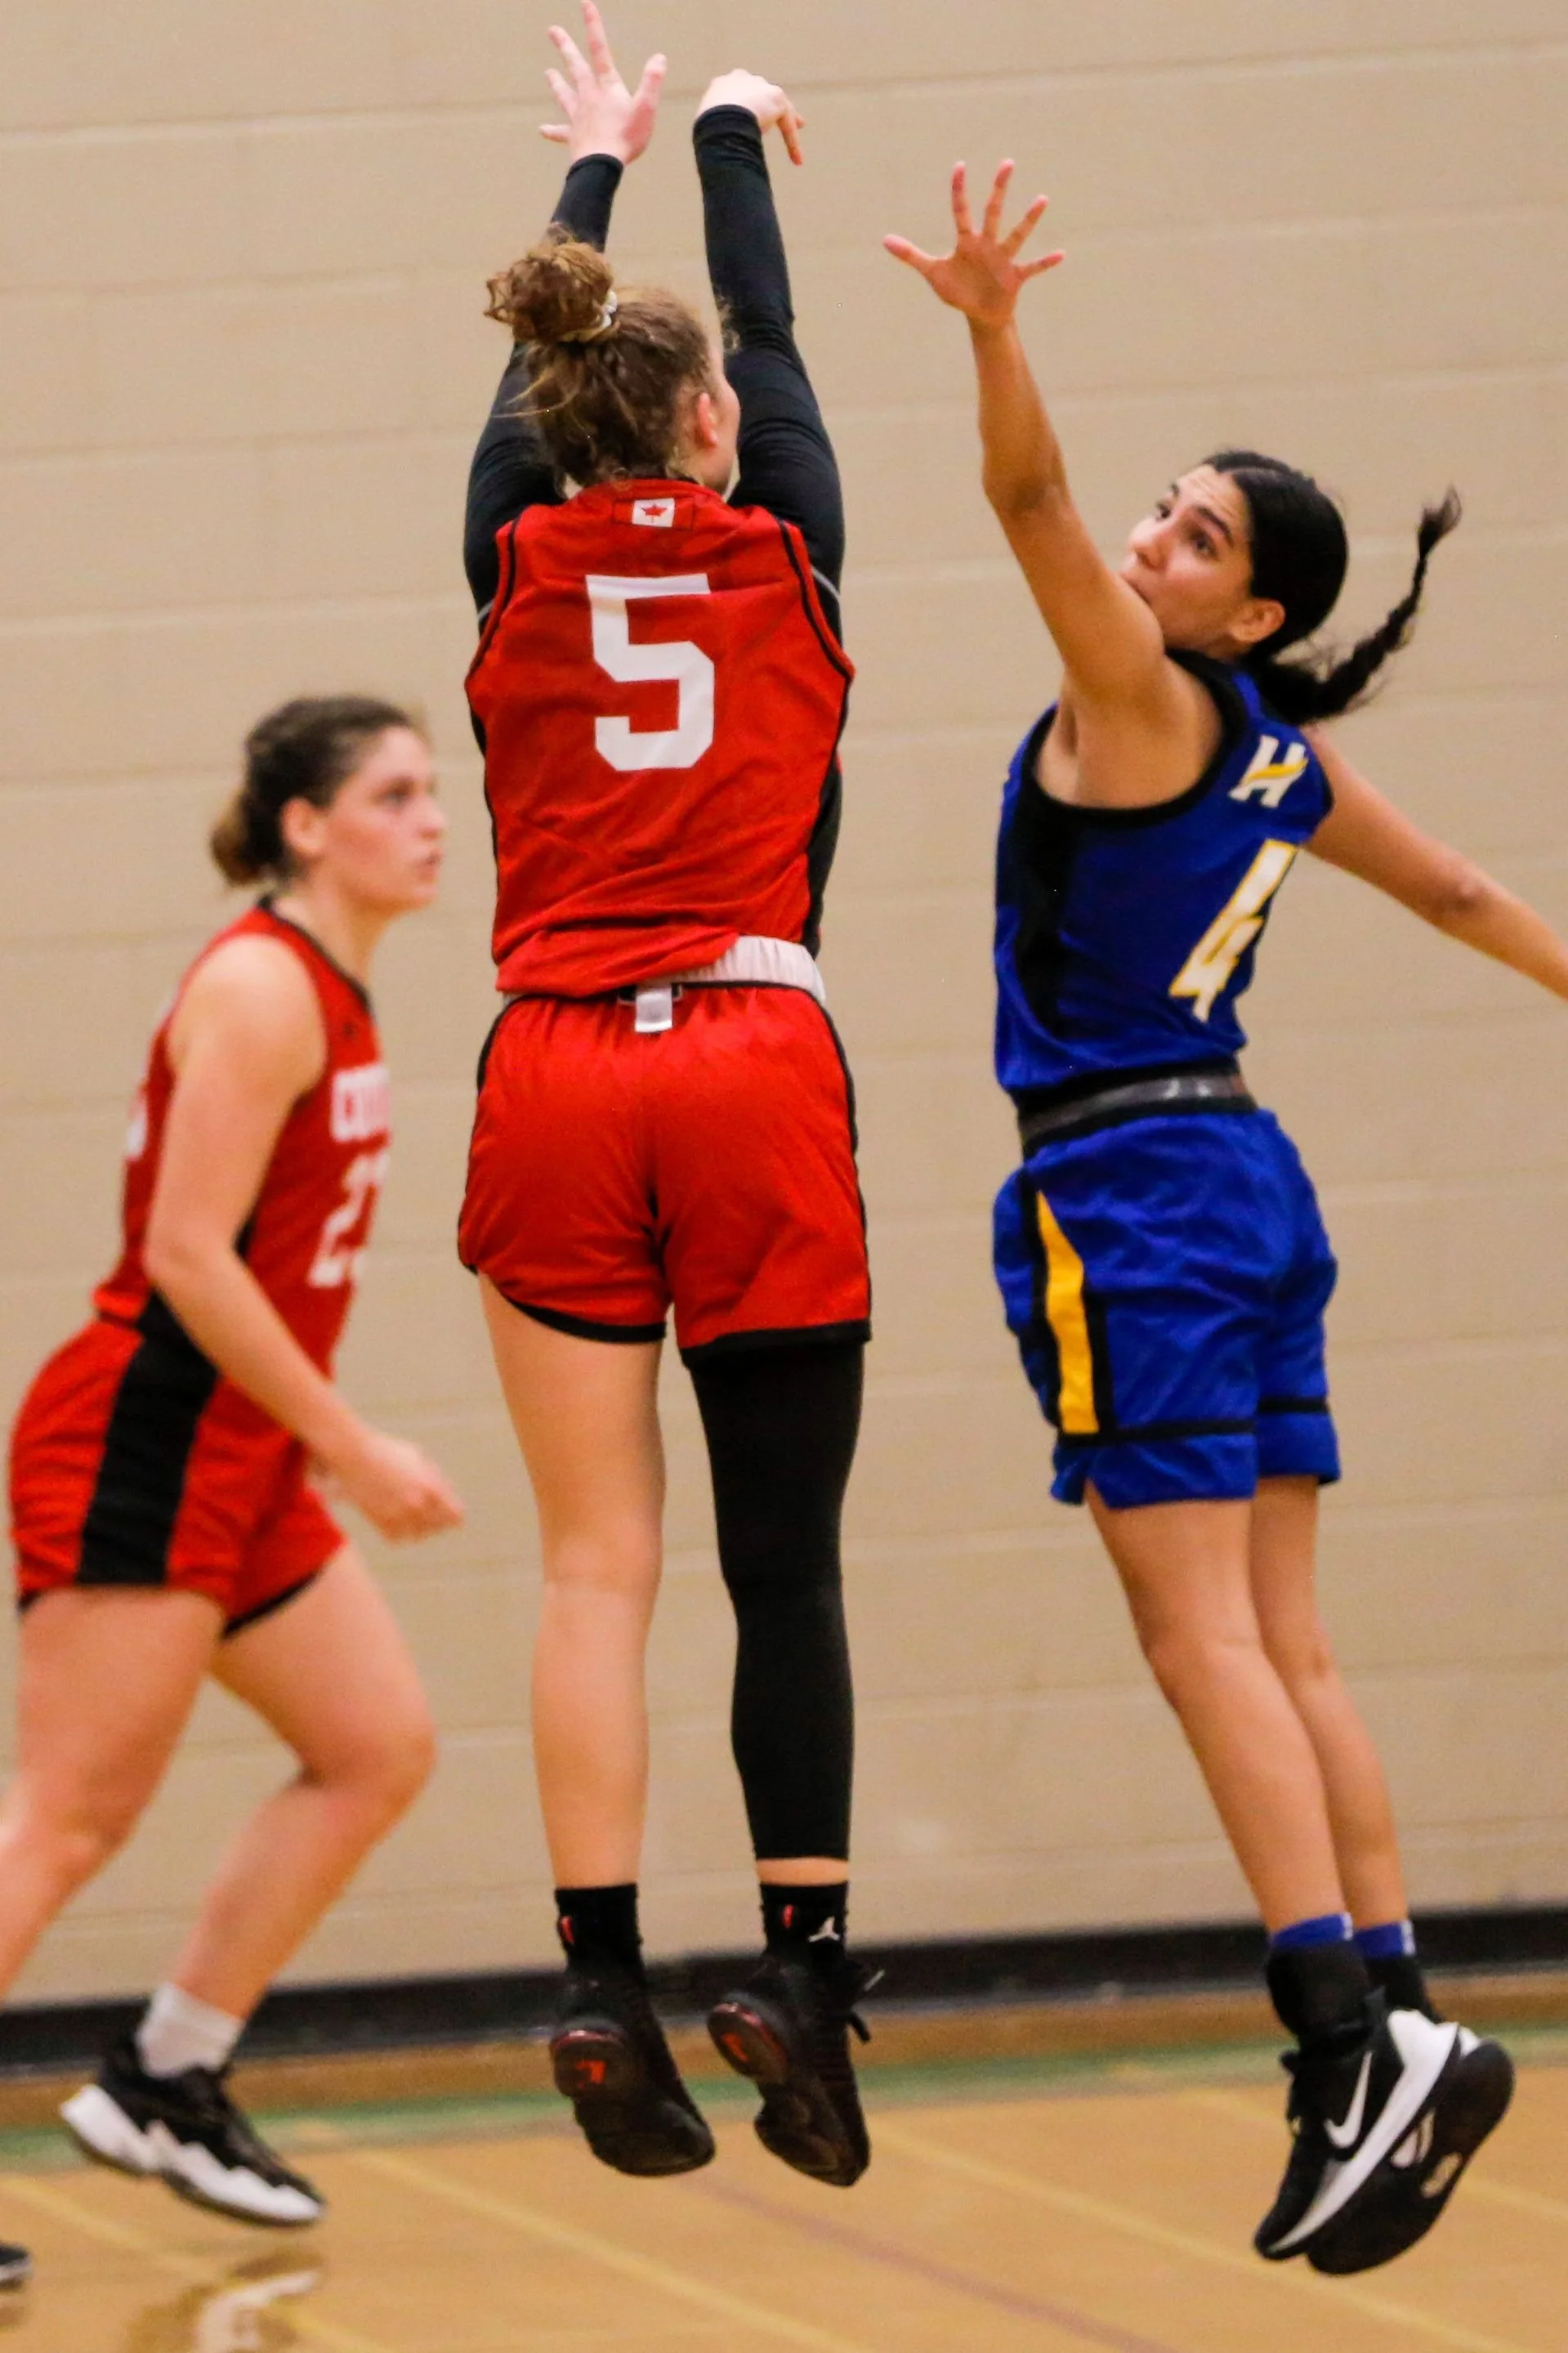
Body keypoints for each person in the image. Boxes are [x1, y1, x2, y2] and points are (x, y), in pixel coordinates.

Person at [885, 161, 1541, 2274]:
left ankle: (1333, 2026)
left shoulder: (1150, 697)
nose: (1147, 543)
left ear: (1237, 611)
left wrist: (991, 329)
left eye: (1192, 537)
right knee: (1287, 1636)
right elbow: (1455, 893)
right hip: (1245, 1173)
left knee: (1194, 1643)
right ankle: (1401, 2003)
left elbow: (1016, 509)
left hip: (1127, 1184)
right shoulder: (1272, 748)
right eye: (1160, 511)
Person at [461, 4, 873, 2189]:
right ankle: (801, 1976)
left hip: (549, 1062)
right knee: (778, 1558)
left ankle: (597, 1979)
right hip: (747, 1050)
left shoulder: (512, 546)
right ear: (715, 425)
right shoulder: (779, 531)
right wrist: (720, 132)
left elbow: (510, 411)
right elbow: (777, 336)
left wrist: (591, 167)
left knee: (590, 1564)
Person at [4, 697, 461, 2262]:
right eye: (395, 793)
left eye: (433, 791)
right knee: (65, 1818)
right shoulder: (266, 986)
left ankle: (168, 2072)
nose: (432, 818)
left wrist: (309, 1443)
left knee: (375, 1745)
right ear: (305, 824)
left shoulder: (332, 987)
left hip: (239, 1455)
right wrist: (355, 1441)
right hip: (147, 1436)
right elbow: (187, 1254)